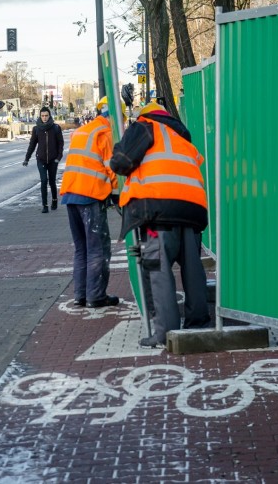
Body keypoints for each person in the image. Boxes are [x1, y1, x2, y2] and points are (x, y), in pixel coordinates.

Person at [110, 99, 211, 347]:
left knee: (158, 268)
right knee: (192, 268)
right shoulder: (182, 138)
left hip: (158, 211)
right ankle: (198, 322)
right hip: (192, 209)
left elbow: (121, 162)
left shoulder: (145, 126)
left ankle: (164, 331)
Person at [59, 97, 120, 308]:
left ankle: (81, 295)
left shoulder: (84, 130)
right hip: (90, 195)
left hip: (70, 193)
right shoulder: (106, 132)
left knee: (81, 248)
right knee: (98, 248)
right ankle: (96, 296)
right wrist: (118, 193)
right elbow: (111, 167)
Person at [23, 107, 64, 213]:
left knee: (52, 181)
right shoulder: (36, 129)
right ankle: (45, 205)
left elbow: (60, 144)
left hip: (53, 159)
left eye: (46, 116)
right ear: (40, 116)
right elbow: (32, 144)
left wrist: (58, 157)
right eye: (42, 116)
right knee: (44, 181)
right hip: (41, 159)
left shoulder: (55, 128)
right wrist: (27, 158)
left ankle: (54, 200)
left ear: (49, 116)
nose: (44, 118)